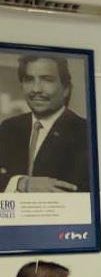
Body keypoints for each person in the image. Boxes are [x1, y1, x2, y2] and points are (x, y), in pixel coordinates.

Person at [0, 55, 90, 193]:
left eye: (47, 80)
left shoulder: (85, 133)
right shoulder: (9, 128)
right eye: (29, 80)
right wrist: (21, 183)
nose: (36, 89)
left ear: (66, 89)